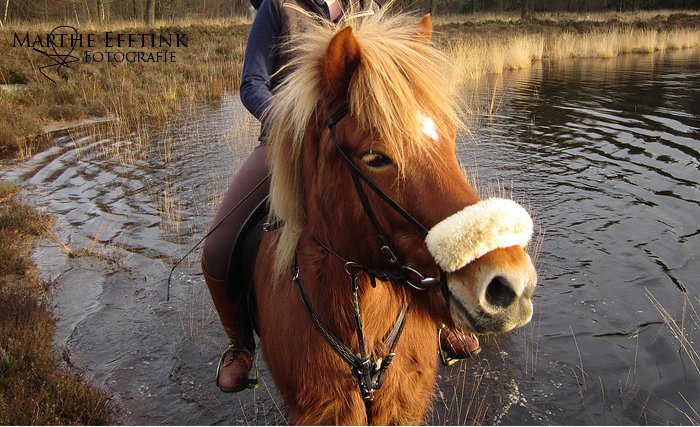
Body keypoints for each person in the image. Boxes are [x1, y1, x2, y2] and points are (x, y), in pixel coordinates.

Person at [202, 0, 480, 394]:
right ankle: (240, 342)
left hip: (363, 144)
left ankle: (437, 316)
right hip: (290, 141)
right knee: (218, 246)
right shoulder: (278, 9)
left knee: (413, 212)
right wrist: (292, 124)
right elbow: (252, 83)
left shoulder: (369, 7)